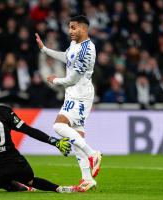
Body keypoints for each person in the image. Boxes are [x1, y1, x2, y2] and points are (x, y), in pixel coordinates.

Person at [35, 15, 102, 191]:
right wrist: (45, 50)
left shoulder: (87, 50)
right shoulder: (75, 45)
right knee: (77, 138)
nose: (70, 31)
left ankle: (92, 154)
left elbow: (73, 78)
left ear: (84, 28)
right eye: (69, 27)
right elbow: (67, 57)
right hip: (73, 93)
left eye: (74, 28)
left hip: (79, 94)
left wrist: (55, 80)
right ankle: (87, 179)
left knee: (58, 126)